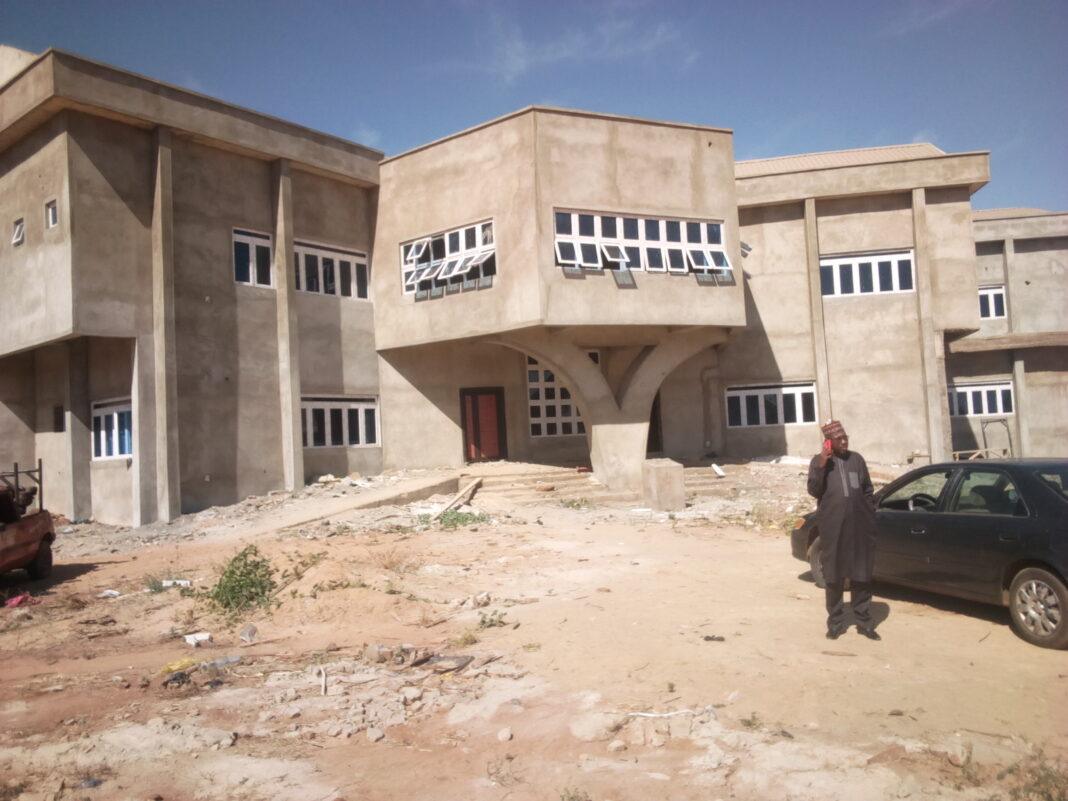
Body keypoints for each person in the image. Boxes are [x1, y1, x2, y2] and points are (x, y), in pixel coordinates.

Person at [807, 420, 880, 641]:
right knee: (834, 576)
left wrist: (868, 512)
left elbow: (867, 489)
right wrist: (822, 464)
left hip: (859, 527)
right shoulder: (819, 461)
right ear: (829, 442)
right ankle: (836, 623)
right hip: (833, 527)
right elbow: (814, 490)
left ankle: (864, 623)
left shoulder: (856, 459)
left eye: (845, 437)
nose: (844, 442)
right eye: (839, 439)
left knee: (861, 574)